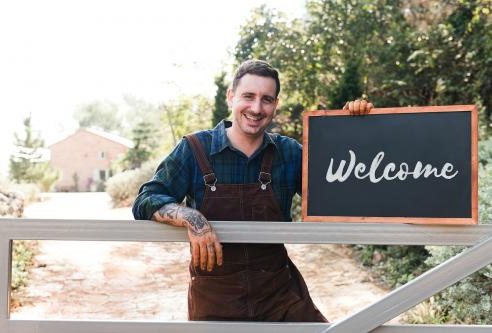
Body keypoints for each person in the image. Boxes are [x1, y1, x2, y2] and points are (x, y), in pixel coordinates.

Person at [132, 59, 373, 322]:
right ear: (231, 97)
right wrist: (193, 219)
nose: (257, 108)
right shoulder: (194, 149)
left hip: (279, 295)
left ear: (275, 104)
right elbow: (146, 199)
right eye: (248, 96)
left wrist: (354, 127)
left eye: (266, 99)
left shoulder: (289, 152)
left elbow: (342, 193)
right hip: (216, 301)